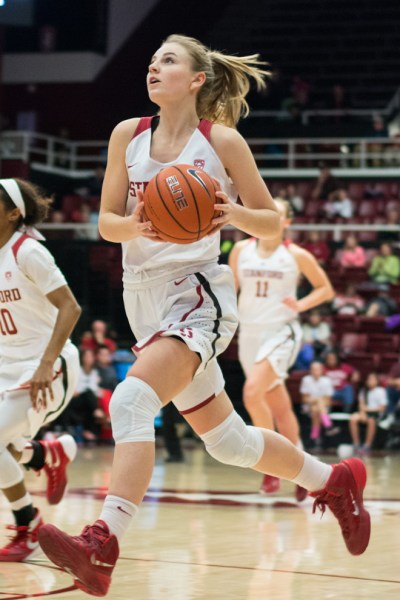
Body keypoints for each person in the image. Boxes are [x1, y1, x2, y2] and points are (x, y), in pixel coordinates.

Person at [37, 34, 371, 597]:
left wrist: (230, 211)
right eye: (151, 60)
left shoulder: (222, 142)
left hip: (196, 292)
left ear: (196, 79)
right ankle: (332, 480)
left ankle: (103, 542)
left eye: (167, 60)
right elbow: (106, 225)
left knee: (132, 398)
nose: (153, 66)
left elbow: (269, 222)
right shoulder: (128, 135)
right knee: (230, 443)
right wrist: (141, 221)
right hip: (141, 296)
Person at [229, 197, 334, 498]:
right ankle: (304, 466)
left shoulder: (296, 255)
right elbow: (232, 287)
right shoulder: (240, 250)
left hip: (281, 332)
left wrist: (301, 304)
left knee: (251, 393)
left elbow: (326, 288)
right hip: (249, 333)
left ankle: (269, 468)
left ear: (286, 222)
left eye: (279, 214)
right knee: (278, 405)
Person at [0, 178, 82, 561]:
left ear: (14, 211)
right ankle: (42, 455)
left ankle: (27, 524)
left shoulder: (27, 251)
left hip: (47, 364)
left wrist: (46, 364)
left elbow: (71, 307)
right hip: (7, 364)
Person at [300, 362, 338, 445]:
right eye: (313, 369)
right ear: (310, 370)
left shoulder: (326, 381)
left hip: (322, 407)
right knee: (318, 402)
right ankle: (328, 425)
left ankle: (314, 438)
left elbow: (328, 400)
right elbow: (304, 399)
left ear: (321, 370)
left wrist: (316, 400)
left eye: (317, 369)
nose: (315, 371)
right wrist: (317, 400)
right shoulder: (306, 379)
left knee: (316, 410)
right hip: (308, 406)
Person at [349, 372, 387, 453]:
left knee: (371, 421)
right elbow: (361, 405)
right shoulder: (363, 391)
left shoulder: (381, 391)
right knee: (353, 418)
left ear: (377, 381)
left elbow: (382, 408)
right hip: (365, 413)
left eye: (373, 379)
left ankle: (367, 445)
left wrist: (367, 410)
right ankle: (356, 444)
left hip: (375, 414)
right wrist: (363, 413)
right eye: (369, 379)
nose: (370, 381)